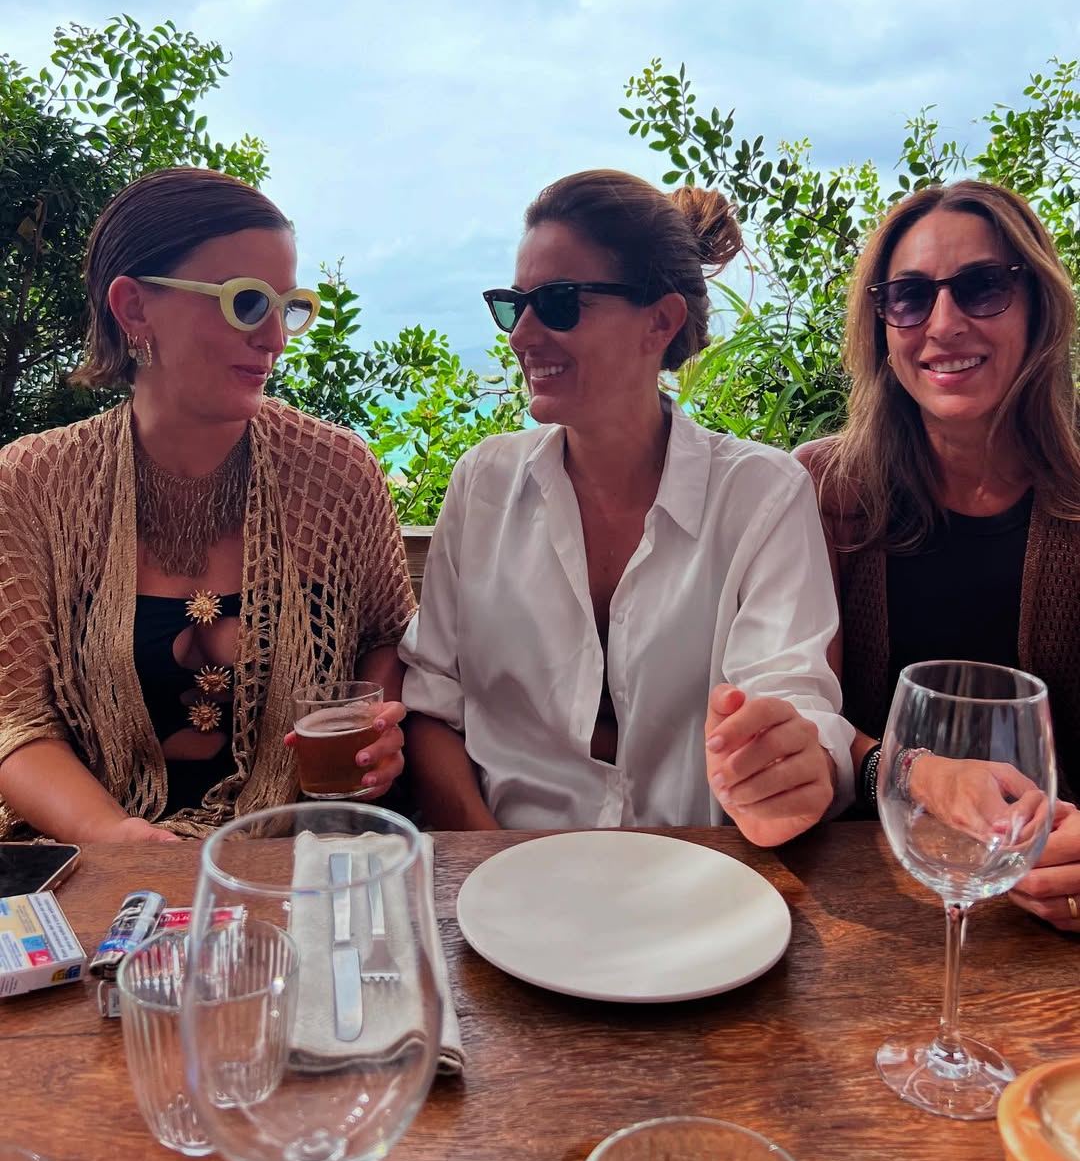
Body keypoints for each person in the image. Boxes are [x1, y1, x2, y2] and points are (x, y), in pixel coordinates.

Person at [400, 168, 853, 841]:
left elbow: (790, 696)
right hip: (502, 867)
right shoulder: (482, 485)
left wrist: (793, 761)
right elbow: (431, 703)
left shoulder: (761, 496)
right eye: (512, 305)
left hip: (700, 871)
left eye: (557, 302)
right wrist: (494, 856)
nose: (521, 335)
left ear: (660, 321)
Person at [0, 167, 413, 842]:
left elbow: (386, 636)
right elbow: (16, 721)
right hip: (100, 861)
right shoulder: (33, 484)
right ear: (135, 308)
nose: (275, 338)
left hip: (301, 854)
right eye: (246, 303)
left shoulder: (335, 472)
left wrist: (372, 732)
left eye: (289, 307)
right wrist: (120, 841)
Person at [797, 179, 1080, 931]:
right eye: (910, 296)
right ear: (881, 326)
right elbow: (804, 716)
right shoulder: (821, 489)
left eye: (982, 287)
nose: (944, 324)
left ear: (1038, 306)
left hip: (1048, 919)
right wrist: (912, 774)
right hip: (864, 909)